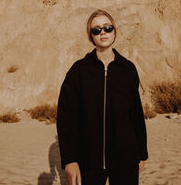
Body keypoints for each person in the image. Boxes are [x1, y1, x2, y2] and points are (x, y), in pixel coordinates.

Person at [56, 9, 148, 185]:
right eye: (96, 30)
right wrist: (69, 159)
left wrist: (142, 153)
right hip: (88, 160)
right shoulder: (78, 71)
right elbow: (66, 116)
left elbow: (136, 114)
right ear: (91, 36)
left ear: (114, 31)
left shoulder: (128, 69)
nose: (103, 32)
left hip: (126, 158)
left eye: (107, 27)